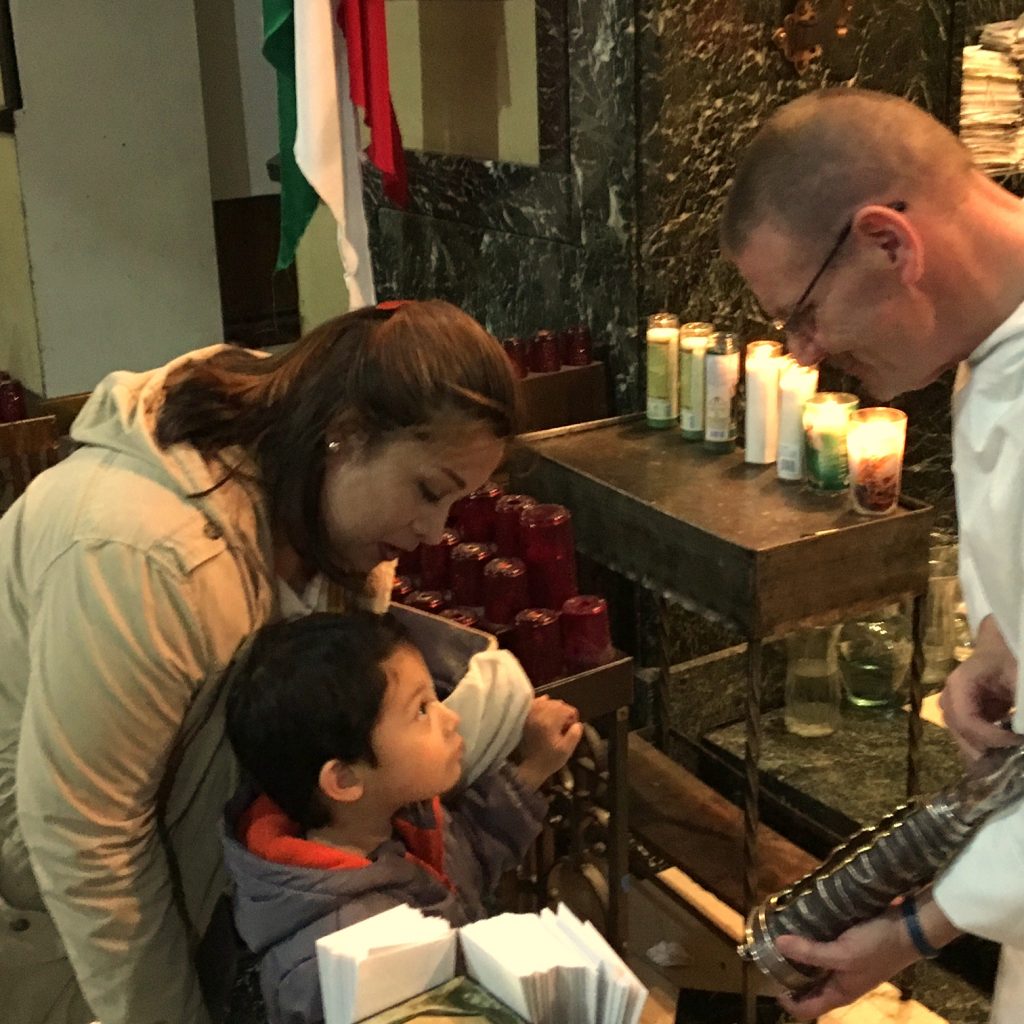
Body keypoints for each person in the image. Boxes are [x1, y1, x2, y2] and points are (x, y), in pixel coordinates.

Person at [0, 301, 532, 1024]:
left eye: (457, 503)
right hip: (50, 917)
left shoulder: (330, 526)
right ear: (343, 434)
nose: (434, 530)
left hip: (181, 882)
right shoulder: (143, 554)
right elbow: (87, 841)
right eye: (429, 491)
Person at [720, 86, 1024, 1021]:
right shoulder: (988, 340)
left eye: (802, 314)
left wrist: (915, 930)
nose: (802, 356)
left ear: (891, 242)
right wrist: (993, 637)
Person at [221, 611, 583, 1024]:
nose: (451, 719)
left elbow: (465, 858)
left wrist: (533, 769)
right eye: (422, 710)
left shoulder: (387, 825)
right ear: (344, 779)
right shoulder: (338, 956)